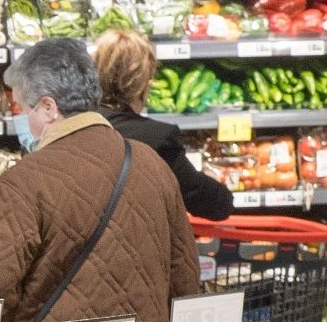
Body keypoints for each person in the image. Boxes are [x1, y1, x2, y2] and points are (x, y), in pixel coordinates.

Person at [0, 36, 200, 322]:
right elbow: (185, 278)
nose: (22, 120)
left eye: (22, 108)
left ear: (49, 108)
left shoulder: (19, 185)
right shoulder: (151, 164)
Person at [93, 28, 236, 221]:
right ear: (144, 83)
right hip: (137, 246)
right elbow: (213, 203)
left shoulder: (72, 127)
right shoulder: (157, 139)